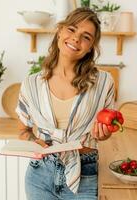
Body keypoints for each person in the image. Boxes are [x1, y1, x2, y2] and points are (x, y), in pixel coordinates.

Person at [16, 7, 115, 200]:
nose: (76, 39)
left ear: (91, 47)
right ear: (60, 31)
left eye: (86, 37)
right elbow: (23, 130)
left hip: (85, 176)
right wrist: (34, 142)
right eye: (71, 29)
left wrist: (104, 134)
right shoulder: (31, 83)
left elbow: (104, 133)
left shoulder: (104, 82)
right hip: (40, 175)